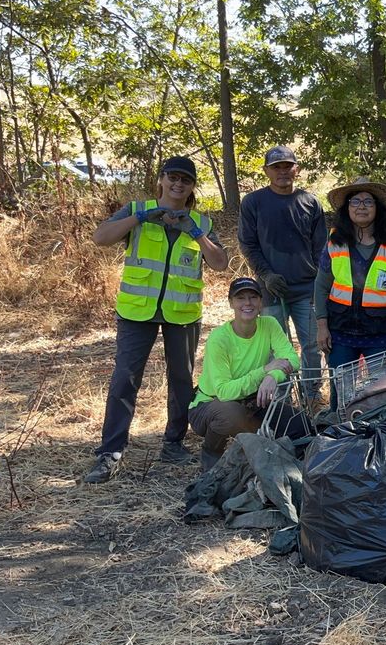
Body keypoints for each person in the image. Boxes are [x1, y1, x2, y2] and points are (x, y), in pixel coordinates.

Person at [84, 156, 229, 484]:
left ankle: (173, 443)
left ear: (192, 187)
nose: (178, 184)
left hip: (182, 314)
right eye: (172, 177)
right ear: (161, 179)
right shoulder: (138, 208)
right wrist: (139, 218)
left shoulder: (201, 223)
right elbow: (101, 237)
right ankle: (111, 452)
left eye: (185, 180)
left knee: (181, 380)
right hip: (137, 311)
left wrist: (195, 233)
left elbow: (220, 263)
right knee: (125, 378)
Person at [188, 278, 304, 472]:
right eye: (240, 298)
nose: (247, 303)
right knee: (232, 416)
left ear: (260, 302)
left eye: (253, 297)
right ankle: (211, 452)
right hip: (210, 403)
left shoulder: (269, 324)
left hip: (252, 401)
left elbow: (292, 359)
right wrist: (263, 371)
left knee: (300, 424)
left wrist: (272, 376)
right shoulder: (219, 339)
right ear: (231, 303)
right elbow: (224, 392)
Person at [238, 145, 327, 401]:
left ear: (296, 169)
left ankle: (312, 395)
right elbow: (248, 244)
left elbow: (321, 248)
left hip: (307, 289)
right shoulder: (253, 202)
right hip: (270, 290)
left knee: (312, 345)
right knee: (276, 349)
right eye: (276, 167)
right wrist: (265, 274)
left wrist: (317, 280)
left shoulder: (310, 202)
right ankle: (283, 400)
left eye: (287, 166)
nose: (282, 172)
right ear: (267, 171)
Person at [315, 177, 386, 379]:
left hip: (383, 334)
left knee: (382, 391)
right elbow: (321, 287)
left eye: (368, 201)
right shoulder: (335, 243)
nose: (362, 207)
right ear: (347, 208)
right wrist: (322, 327)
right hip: (341, 334)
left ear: (377, 208)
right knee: (342, 394)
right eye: (355, 201)